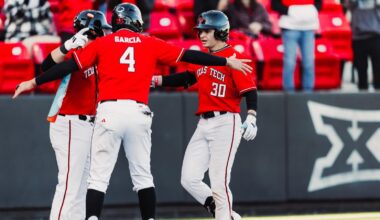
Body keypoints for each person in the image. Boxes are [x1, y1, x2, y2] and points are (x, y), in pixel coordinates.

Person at [13, 3, 252, 220]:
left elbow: (64, 66)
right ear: (137, 22)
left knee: (96, 178)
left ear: (115, 24)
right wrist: (225, 61)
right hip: (137, 113)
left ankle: (92, 217)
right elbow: (187, 55)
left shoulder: (101, 44)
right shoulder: (148, 41)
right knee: (142, 176)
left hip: (107, 112)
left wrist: (33, 82)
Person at [152, 10, 258, 220]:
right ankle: (223, 212)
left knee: (219, 182)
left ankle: (224, 215)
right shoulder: (203, 58)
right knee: (189, 178)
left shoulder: (233, 56)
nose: (201, 35)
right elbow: (186, 79)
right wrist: (157, 80)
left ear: (219, 32)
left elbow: (250, 90)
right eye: (200, 31)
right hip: (204, 123)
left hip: (226, 122)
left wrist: (252, 116)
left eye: (206, 31)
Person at [41, 10, 111, 220]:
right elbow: (45, 67)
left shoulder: (97, 55)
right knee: (70, 185)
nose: (101, 35)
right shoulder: (73, 51)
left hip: (87, 123)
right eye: (98, 32)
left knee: (82, 187)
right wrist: (67, 46)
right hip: (70, 121)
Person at [271, 0, 321, 91]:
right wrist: (291, 11)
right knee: (290, 62)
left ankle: (308, 93)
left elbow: (319, 3)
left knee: (309, 62)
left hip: (309, 28)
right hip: (289, 27)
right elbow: (275, 4)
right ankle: (289, 94)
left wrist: (311, 11)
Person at [344, 0, 380, 90]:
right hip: (358, 37)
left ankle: (378, 89)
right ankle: (362, 90)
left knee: (378, 67)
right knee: (361, 67)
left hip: (375, 35)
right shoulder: (354, 3)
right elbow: (346, 5)